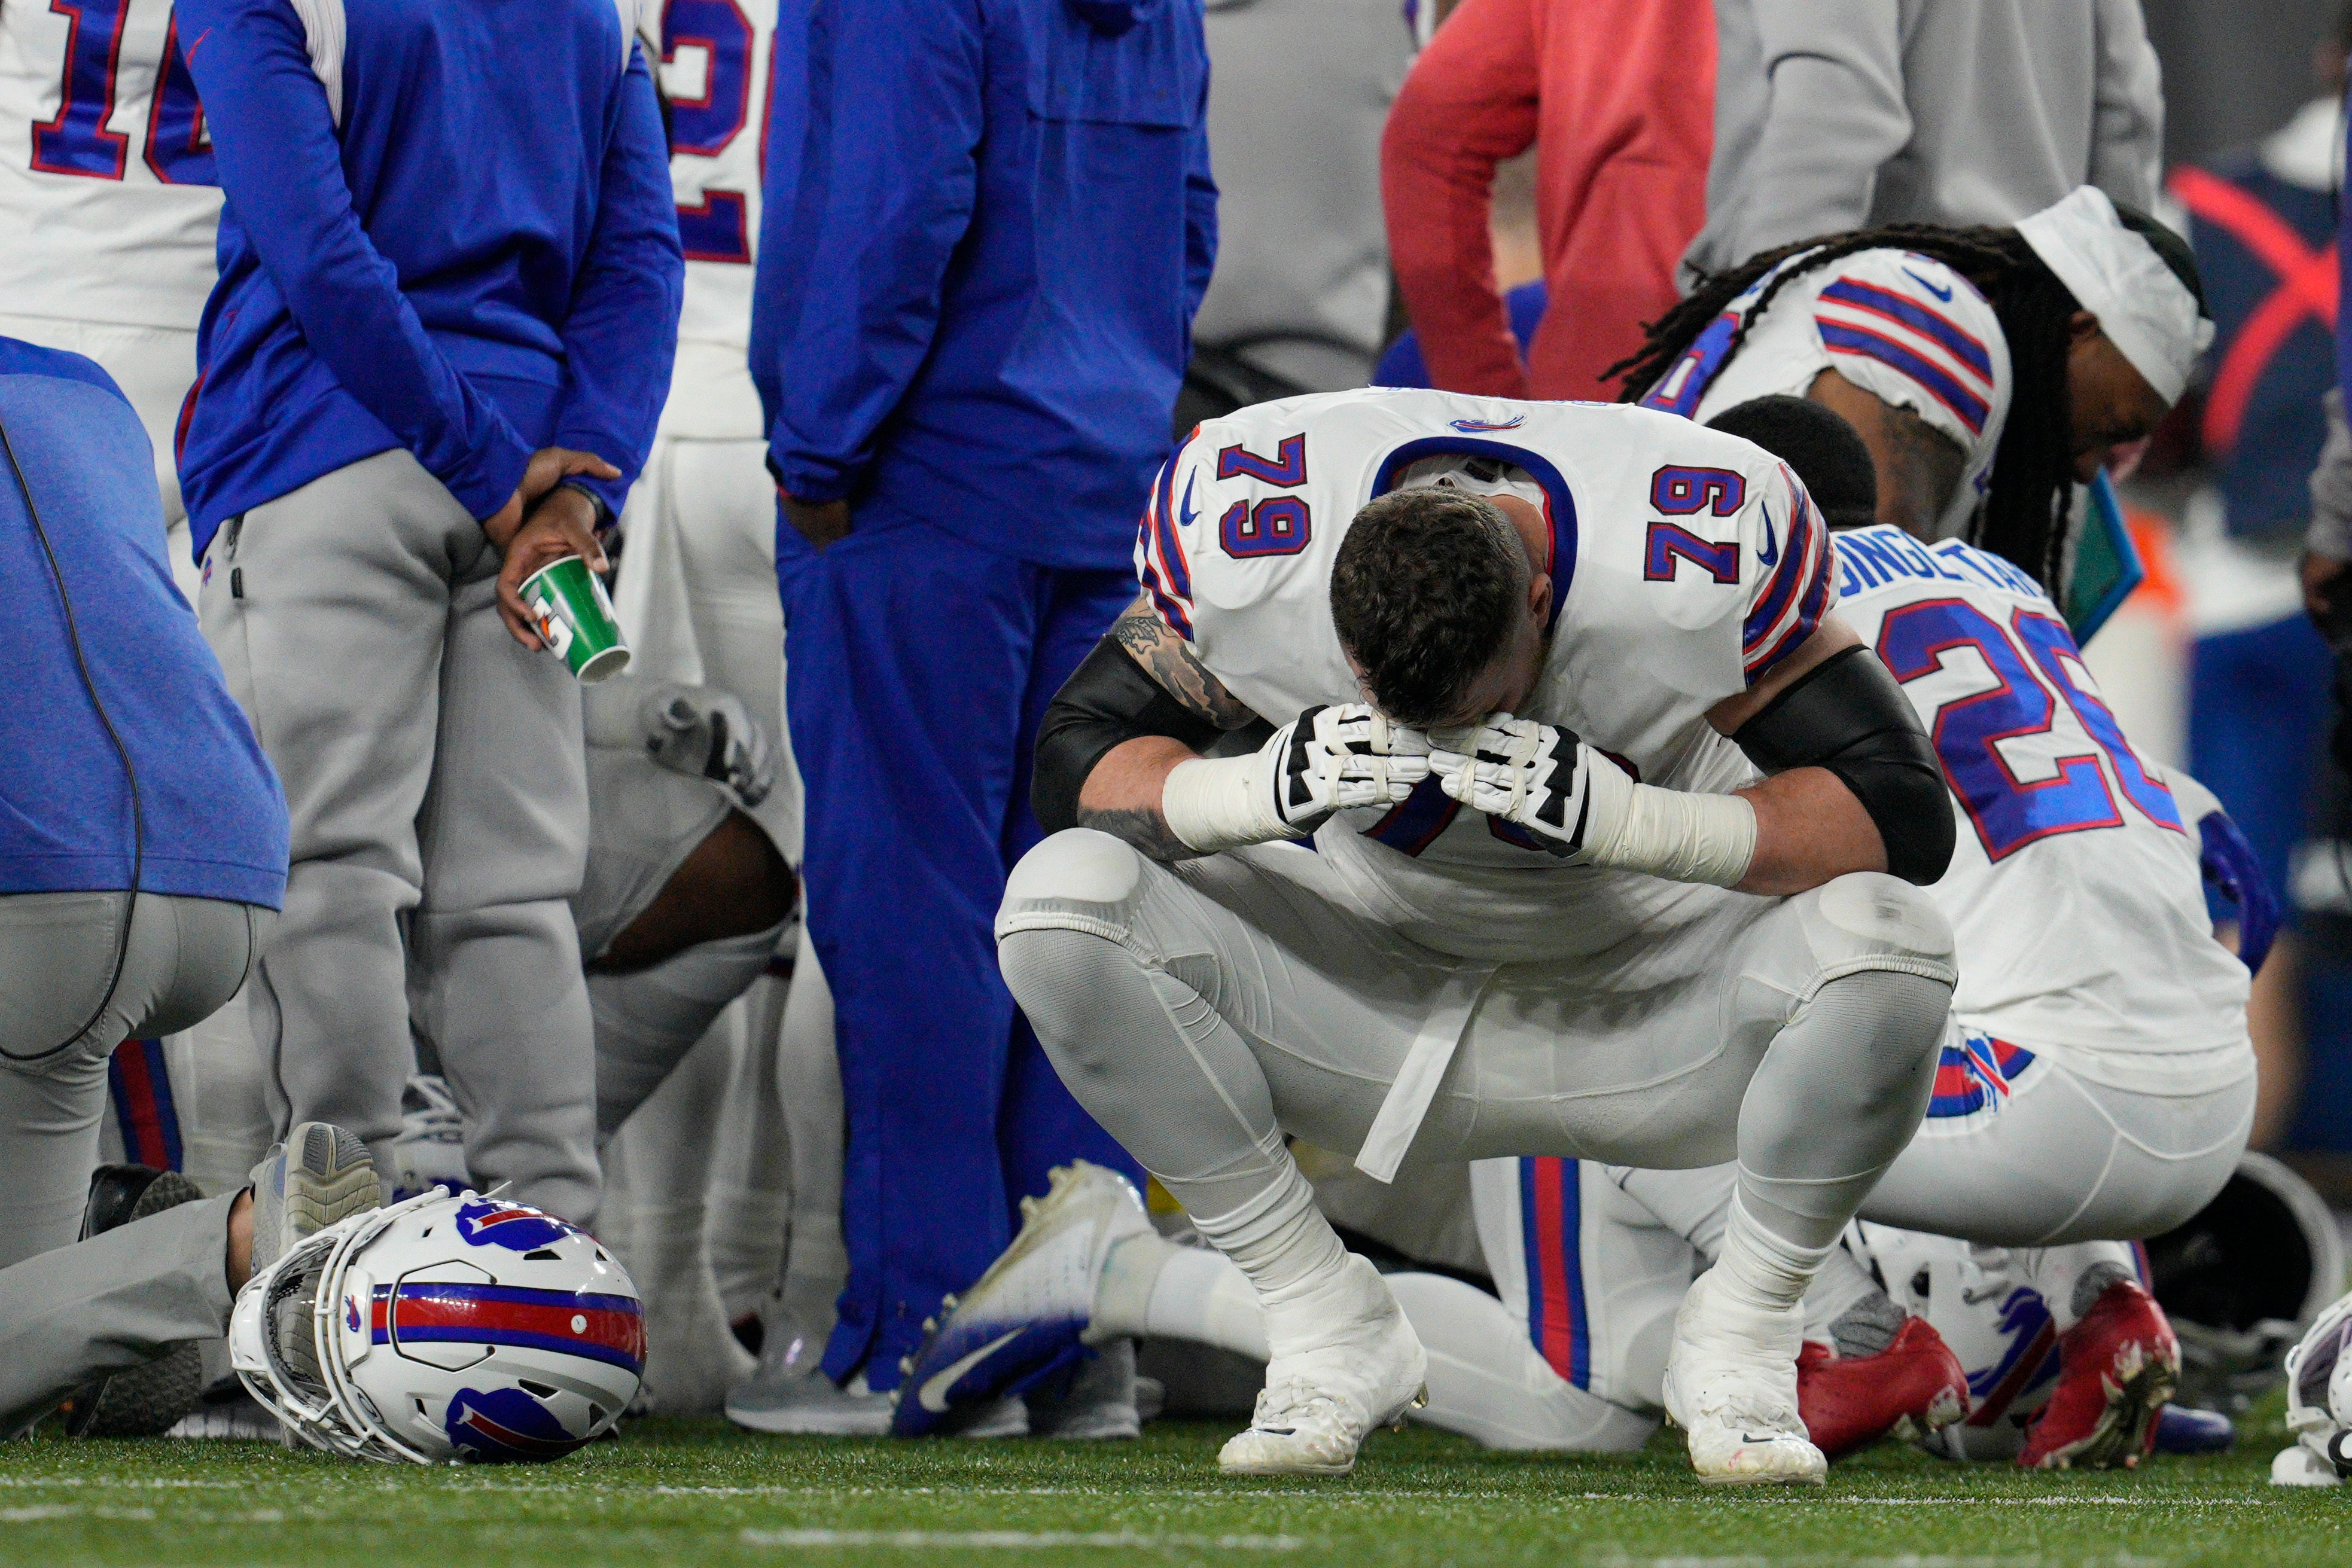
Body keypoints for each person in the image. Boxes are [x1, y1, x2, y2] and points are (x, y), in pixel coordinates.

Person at [962, 383, 1960, 1482]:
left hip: (1650, 989)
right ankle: (1316, 1310)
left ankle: (1748, 1336)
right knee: (1062, 900)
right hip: (1361, 980)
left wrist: (1642, 822)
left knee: (1890, 939)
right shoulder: (1258, 526)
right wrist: (1250, 790)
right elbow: (1074, 759)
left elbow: (1902, 813)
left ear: (1543, 601)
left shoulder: (1689, 545)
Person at [754, 0, 1214, 1425]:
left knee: (908, 911)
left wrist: (820, 434)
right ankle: (1073, 1340)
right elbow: (1185, 220)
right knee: (1075, 915)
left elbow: (883, 199)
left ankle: (927, 1328)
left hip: (922, 472)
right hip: (1101, 476)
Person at [177, 0, 684, 1225]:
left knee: (327, 879)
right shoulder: (599, 12)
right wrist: (574, 483)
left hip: (333, 445)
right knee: (510, 900)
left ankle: (329, 1275)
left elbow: (317, 250)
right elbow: (640, 261)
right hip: (531, 482)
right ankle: (558, 1270)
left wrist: (478, 459)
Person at [1617, 187, 2210, 585]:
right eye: (2108, 432)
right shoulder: (1930, 314)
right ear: (2078, 331)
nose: (2087, 469)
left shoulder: (1929, 304)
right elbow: (1876, 596)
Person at [1684, 0, 2163, 283]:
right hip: (2037, 337)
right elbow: (2127, 108)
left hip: (1882, 355)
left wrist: (1755, 318)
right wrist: (2112, 335)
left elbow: (1835, 108)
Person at [1380, 0, 1714, 399]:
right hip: (1765, 379)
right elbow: (1427, 143)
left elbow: (1427, 139)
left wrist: (1486, 405)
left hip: (1600, 399)